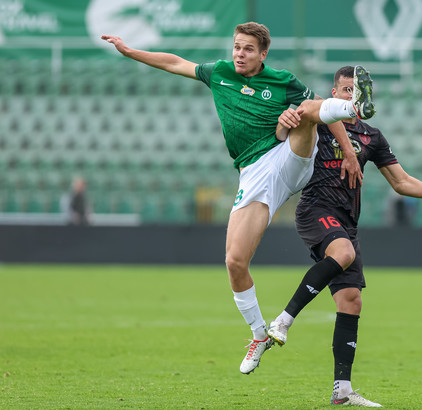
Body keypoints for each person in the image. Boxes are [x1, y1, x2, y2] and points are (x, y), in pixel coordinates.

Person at [101, 22, 376, 375]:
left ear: (263, 54)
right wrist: (129, 51)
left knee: (307, 110)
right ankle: (259, 334)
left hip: (288, 157)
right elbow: (174, 63)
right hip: (254, 172)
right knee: (234, 262)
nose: (240, 54)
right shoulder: (220, 74)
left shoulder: (282, 80)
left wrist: (350, 154)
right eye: (236, 47)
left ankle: (355, 107)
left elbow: (317, 106)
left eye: (248, 49)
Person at [267, 66, 422, 406]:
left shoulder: (372, 136)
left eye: (356, 91)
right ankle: (283, 320)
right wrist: (285, 121)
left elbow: (401, 182)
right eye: (345, 89)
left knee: (351, 300)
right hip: (315, 210)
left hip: (347, 220)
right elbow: (290, 124)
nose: (351, 95)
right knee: (344, 253)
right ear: (334, 92)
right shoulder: (319, 121)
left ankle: (343, 390)